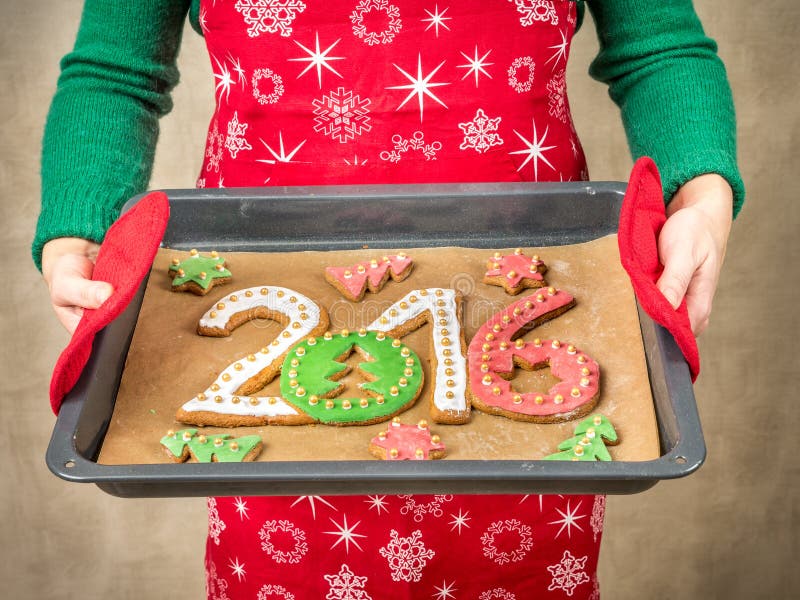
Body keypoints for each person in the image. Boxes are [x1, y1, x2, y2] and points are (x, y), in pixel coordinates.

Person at [34, 1, 743, 597]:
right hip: (260, 288)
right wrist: (78, 233)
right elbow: (114, 75)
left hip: (525, 280)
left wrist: (700, 194)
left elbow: (659, 48)